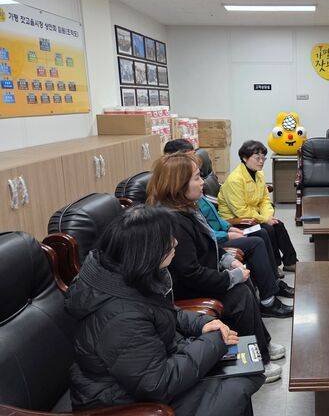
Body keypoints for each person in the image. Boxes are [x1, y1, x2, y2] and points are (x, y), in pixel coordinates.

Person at [65, 205, 264, 415]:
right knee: (239, 382)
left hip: (148, 371)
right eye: (168, 238)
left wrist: (203, 324)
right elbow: (157, 384)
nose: (175, 242)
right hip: (123, 403)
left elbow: (166, 312)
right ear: (147, 250)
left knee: (244, 369)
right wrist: (214, 342)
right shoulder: (121, 317)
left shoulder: (127, 277)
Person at [147, 152, 285, 383]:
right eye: (196, 178)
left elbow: (210, 245)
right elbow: (190, 274)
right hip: (185, 290)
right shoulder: (173, 221)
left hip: (201, 276)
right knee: (240, 295)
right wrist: (231, 278)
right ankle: (257, 361)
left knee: (244, 283)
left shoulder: (188, 210)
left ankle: (262, 344)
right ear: (179, 185)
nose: (203, 182)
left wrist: (230, 262)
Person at [163, 139, 295, 316]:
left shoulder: (192, 199)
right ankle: (269, 298)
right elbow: (207, 234)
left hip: (226, 230)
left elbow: (216, 216)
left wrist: (229, 228)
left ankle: (274, 282)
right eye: (190, 157)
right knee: (260, 237)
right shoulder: (180, 213)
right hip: (224, 233)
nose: (202, 181)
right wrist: (226, 234)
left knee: (270, 228)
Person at [218, 140, 298, 274]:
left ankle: (291, 262)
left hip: (253, 216)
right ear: (245, 158)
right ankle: (274, 265)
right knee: (268, 229)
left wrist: (268, 216)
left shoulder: (258, 174)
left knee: (278, 224)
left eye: (263, 158)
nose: (261, 161)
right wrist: (264, 220)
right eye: (257, 158)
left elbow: (264, 200)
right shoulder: (235, 180)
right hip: (236, 221)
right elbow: (240, 211)